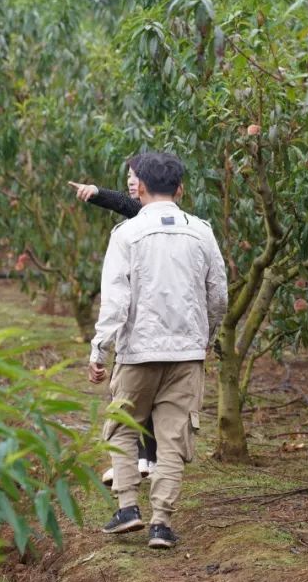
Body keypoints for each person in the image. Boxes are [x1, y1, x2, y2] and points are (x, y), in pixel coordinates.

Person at [87, 152, 228, 549]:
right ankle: (161, 524)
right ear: (180, 189)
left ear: (141, 188)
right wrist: (207, 337)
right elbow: (218, 294)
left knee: (122, 425)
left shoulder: (126, 235)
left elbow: (115, 299)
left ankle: (128, 507)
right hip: (187, 352)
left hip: (139, 352)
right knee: (173, 438)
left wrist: (100, 350)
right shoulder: (202, 232)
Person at [69, 155, 161, 483]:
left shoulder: (146, 216)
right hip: (159, 319)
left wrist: (97, 193)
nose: (131, 182)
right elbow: (127, 203)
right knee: (149, 396)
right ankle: (147, 460)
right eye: (129, 176)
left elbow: (127, 205)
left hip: (140, 319)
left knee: (127, 394)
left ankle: (138, 460)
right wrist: (96, 192)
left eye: (136, 176)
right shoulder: (166, 217)